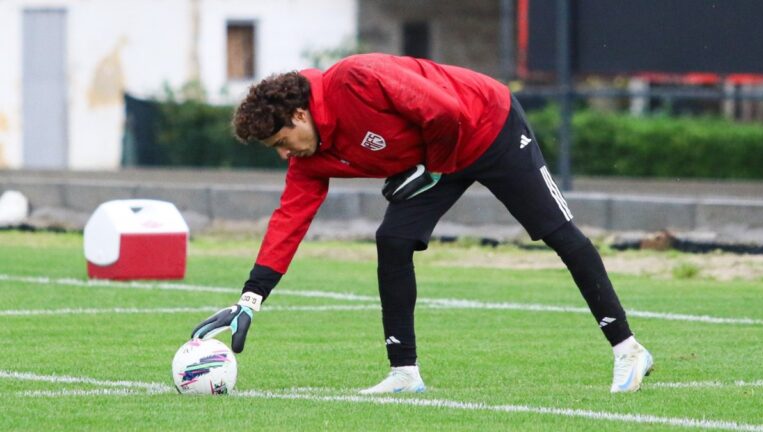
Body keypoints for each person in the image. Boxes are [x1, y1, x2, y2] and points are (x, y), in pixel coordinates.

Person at [191, 53, 653, 394]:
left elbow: (446, 112)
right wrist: (250, 299)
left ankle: (628, 349)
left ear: (298, 114)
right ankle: (404, 373)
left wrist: (430, 170)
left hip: (488, 125)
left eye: (282, 140)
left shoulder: (355, 79)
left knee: (558, 233)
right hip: (438, 157)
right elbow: (289, 220)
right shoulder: (311, 158)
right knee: (393, 239)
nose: (284, 153)